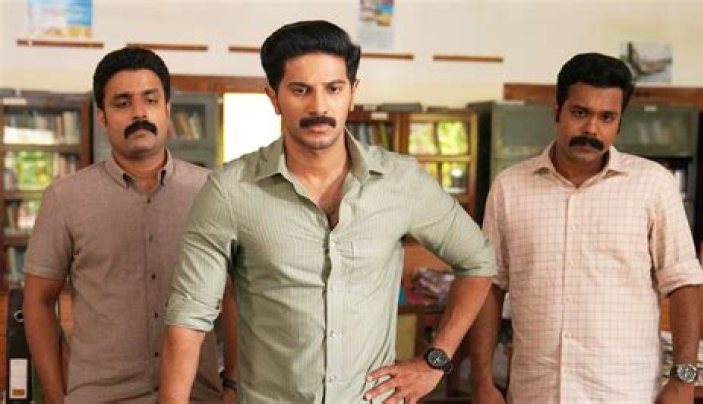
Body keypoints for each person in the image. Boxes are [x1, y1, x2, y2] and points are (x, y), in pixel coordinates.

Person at [160, 20, 496, 404]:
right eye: (300, 90)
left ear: (352, 93)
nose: (319, 106)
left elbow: (479, 260)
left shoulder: (401, 181)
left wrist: (437, 360)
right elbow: (188, 318)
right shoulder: (230, 191)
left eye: (333, 89)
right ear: (274, 98)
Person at [470, 52, 703, 403]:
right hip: (537, 392)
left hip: (624, 392)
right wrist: (481, 381)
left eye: (606, 117)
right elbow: (489, 287)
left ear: (619, 123)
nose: (592, 129)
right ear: (557, 111)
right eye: (580, 113)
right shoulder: (510, 187)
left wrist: (684, 380)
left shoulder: (653, 185)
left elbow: (683, 282)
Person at [23, 47, 237, 403]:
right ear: (102, 116)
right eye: (122, 103)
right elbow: (38, 301)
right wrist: (56, 396)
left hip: (195, 396)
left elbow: (233, 295)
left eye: (150, 100)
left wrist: (232, 386)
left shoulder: (213, 192)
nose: (139, 113)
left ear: (167, 109)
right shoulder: (65, 198)